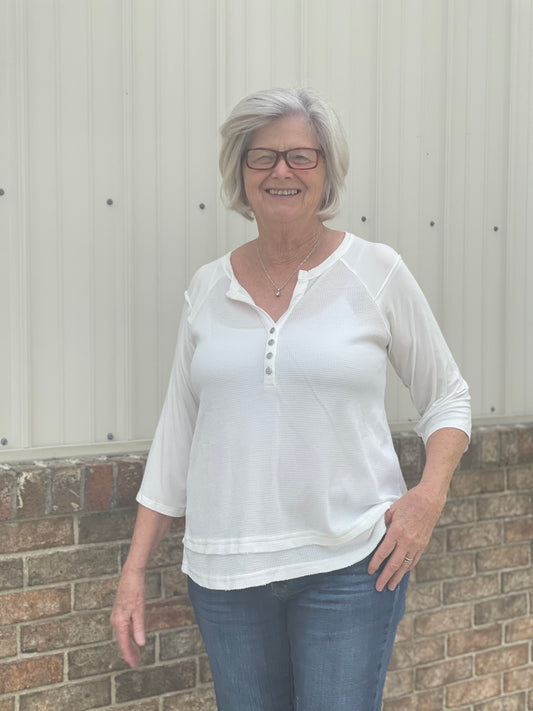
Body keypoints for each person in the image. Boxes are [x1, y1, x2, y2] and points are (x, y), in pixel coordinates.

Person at [111, 88, 471, 711]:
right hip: (226, 578)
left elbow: (448, 397)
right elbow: (178, 436)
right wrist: (134, 571)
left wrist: (427, 499)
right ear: (240, 173)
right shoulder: (206, 287)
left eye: (302, 156)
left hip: (350, 568)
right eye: (262, 157)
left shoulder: (376, 271)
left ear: (327, 171)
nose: (281, 171)